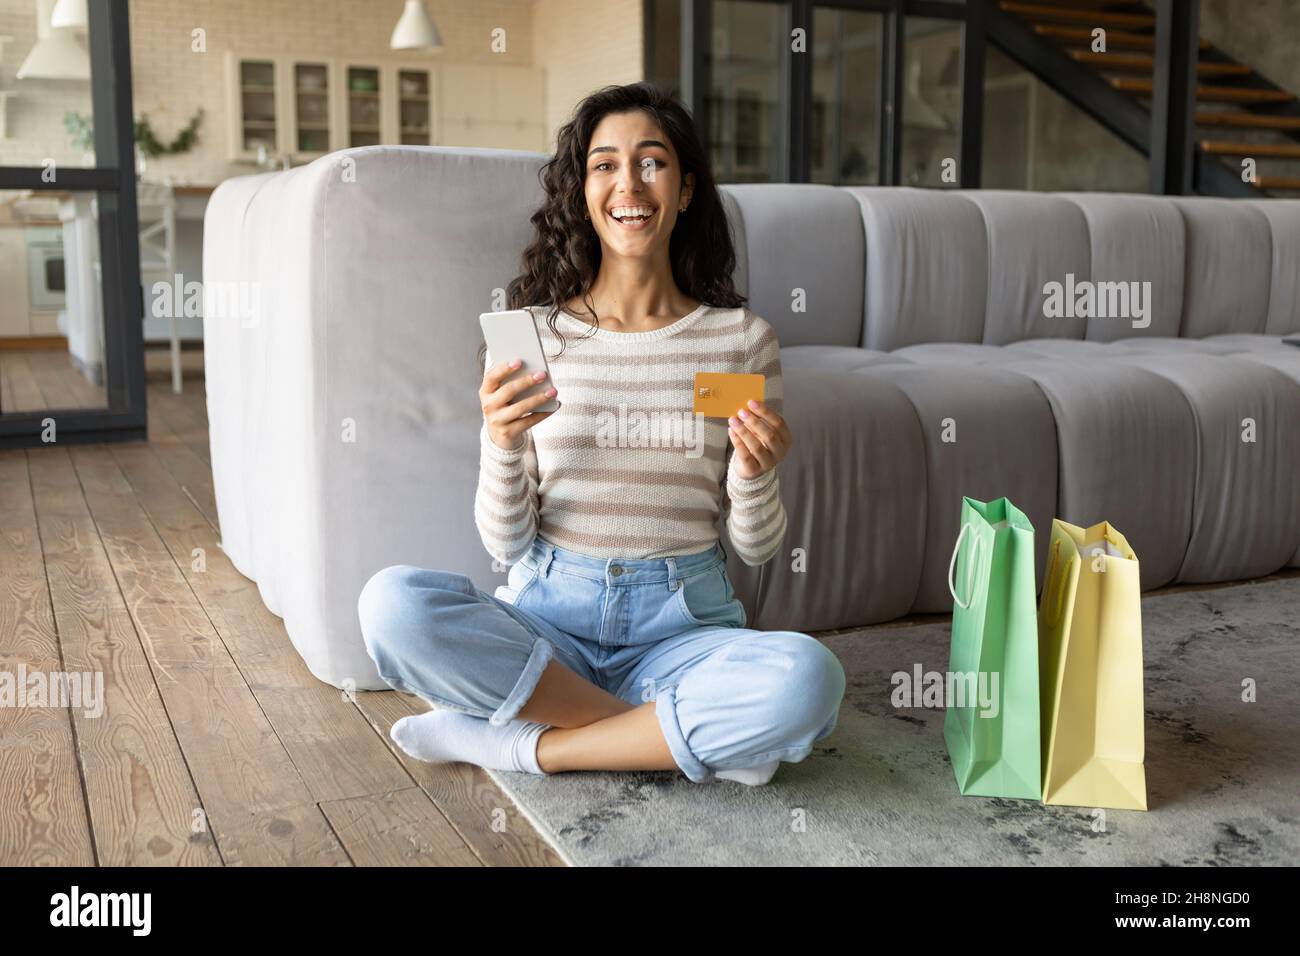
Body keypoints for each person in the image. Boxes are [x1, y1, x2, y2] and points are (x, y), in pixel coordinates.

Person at [357, 82, 845, 786]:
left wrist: (756, 472)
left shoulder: (739, 341)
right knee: (392, 607)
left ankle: (524, 745)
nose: (630, 182)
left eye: (652, 162)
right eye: (605, 164)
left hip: (685, 626)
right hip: (550, 620)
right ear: (583, 191)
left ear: (683, 191)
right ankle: (670, 734)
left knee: (809, 680)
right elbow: (505, 545)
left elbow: (756, 545)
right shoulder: (535, 336)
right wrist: (500, 444)